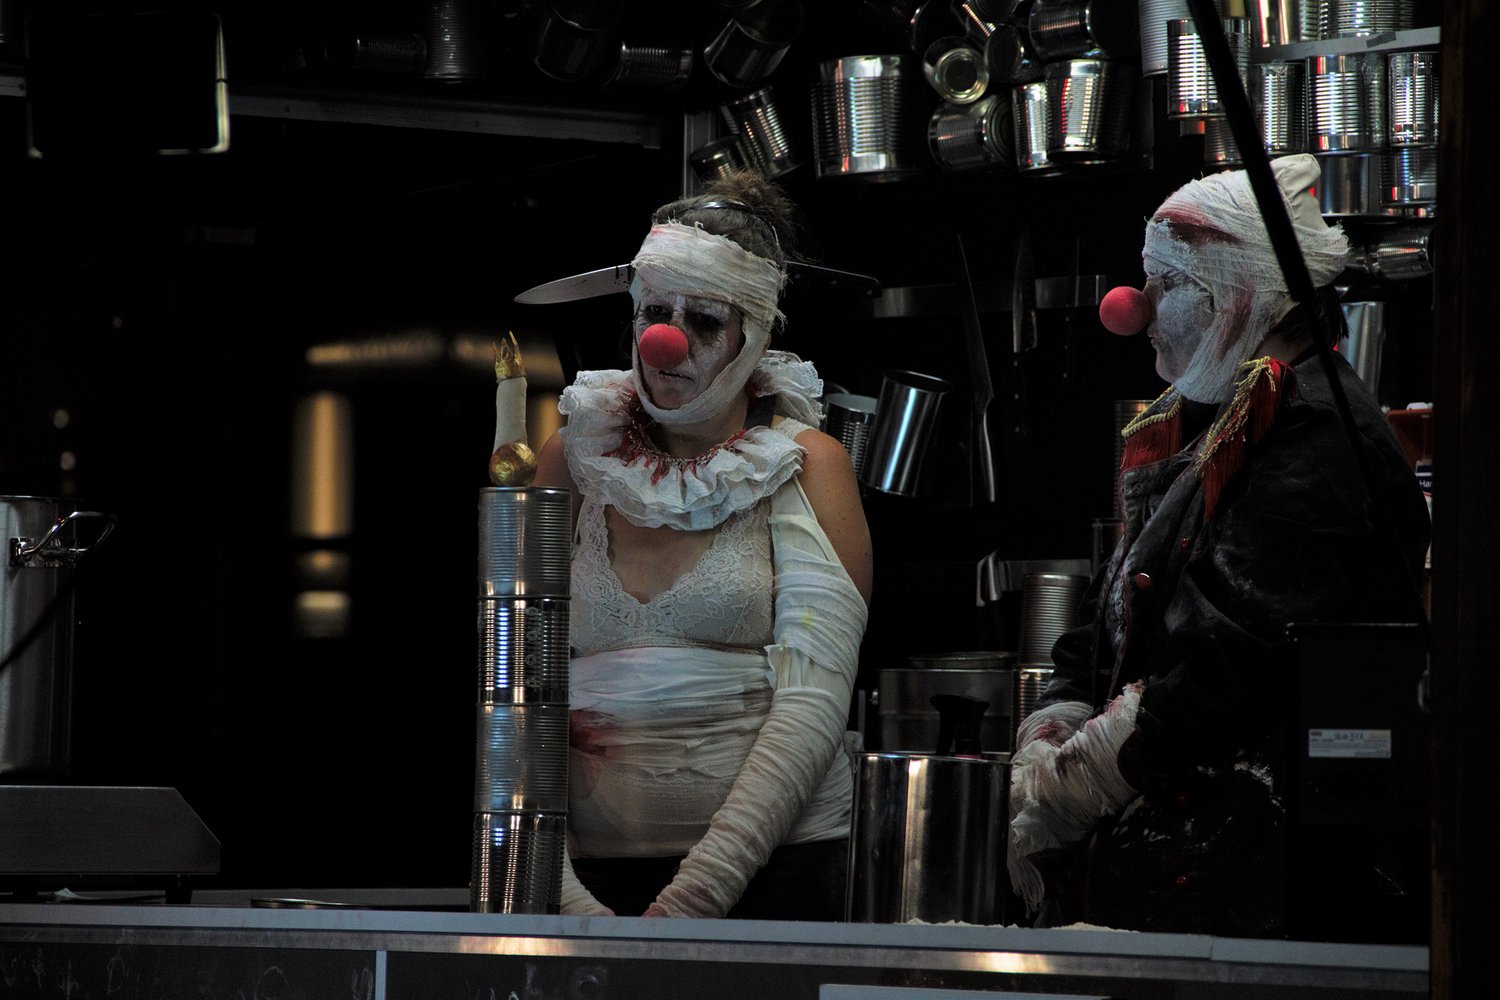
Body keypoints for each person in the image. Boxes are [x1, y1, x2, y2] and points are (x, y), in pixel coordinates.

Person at [1005, 154, 1430, 937]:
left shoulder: (1320, 442)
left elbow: (1231, 665)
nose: (1134, 309)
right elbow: (1117, 609)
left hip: (1251, 890)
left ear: (1238, 295)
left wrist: (1074, 782)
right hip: (1177, 872)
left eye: (1165, 285)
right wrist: (1058, 716)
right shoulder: (1220, 422)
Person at [530, 172, 873, 920]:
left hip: (775, 876)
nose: (667, 341)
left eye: (704, 321)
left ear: (755, 335)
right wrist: (557, 889)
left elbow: (814, 700)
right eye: (655, 312)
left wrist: (696, 898)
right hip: (585, 886)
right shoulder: (572, 460)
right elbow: (517, 679)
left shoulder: (806, 465)